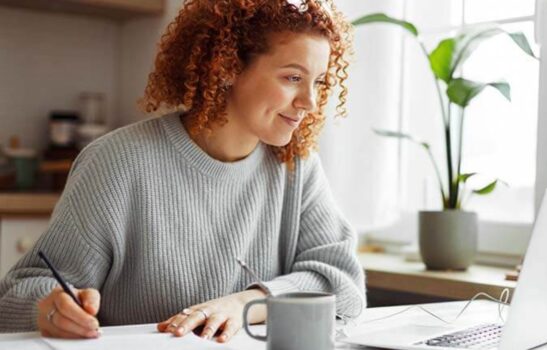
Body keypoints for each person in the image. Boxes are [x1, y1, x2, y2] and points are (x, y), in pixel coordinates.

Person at [0, 0, 365, 343]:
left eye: (319, 82)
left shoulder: (296, 165)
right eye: (292, 78)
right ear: (227, 69)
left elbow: (344, 286)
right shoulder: (116, 163)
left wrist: (247, 303)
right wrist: (49, 309)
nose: (311, 104)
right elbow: (20, 293)